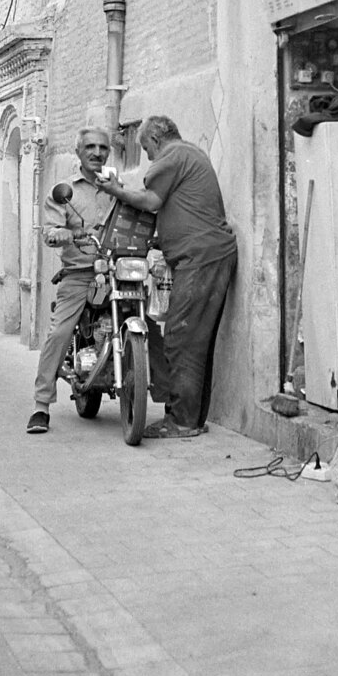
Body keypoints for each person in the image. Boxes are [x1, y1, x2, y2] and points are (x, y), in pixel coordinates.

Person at [96, 115, 237, 438]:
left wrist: (116, 190)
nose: (147, 156)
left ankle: (182, 422)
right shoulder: (190, 154)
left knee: (181, 336)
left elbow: (151, 201)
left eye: (146, 148)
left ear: (157, 140)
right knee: (194, 339)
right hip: (208, 254)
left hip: (201, 257)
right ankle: (191, 419)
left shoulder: (171, 157)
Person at [27, 127, 116, 434]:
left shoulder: (116, 186)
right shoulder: (65, 191)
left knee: (154, 320)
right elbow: (49, 231)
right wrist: (60, 233)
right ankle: (41, 405)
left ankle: (169, 396)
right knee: (59, 333)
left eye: (103, 147)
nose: (97, 152)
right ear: (79, 152)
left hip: (117, 272)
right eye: (90, 147)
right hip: (80, 275)